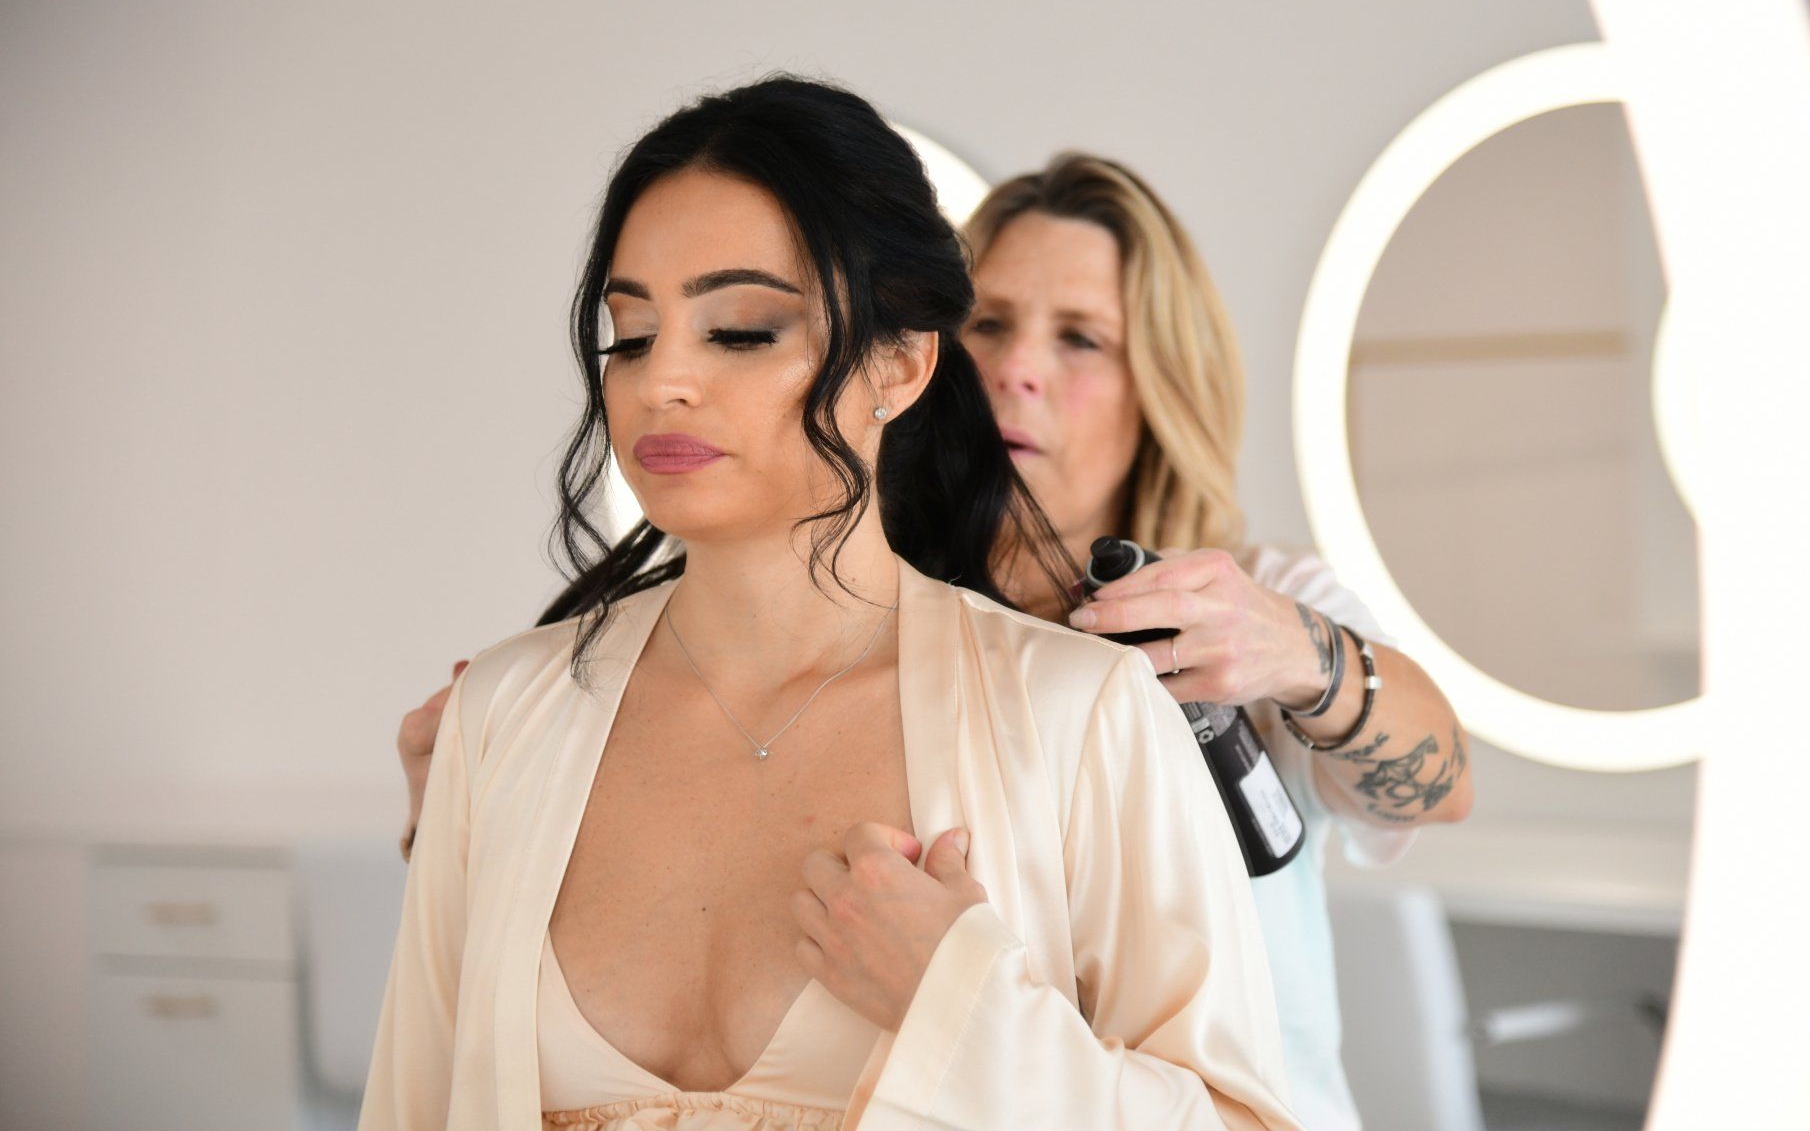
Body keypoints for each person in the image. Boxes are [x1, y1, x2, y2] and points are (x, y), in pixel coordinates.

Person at [363, 77, 1303, 1131]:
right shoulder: (505, 717)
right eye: (629, 333)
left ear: (898, 364)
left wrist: (970, 1010)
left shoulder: (1081, 716)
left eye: (742, 330)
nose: (661, 379)